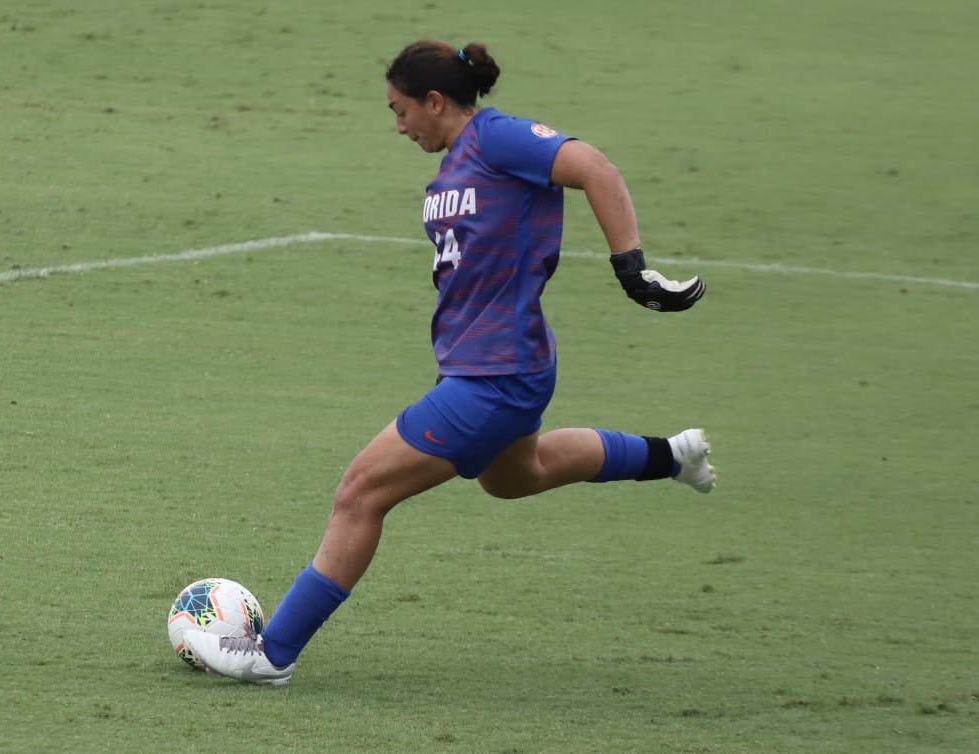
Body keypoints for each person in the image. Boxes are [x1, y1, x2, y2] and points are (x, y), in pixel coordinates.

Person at [184, 40, 714, 685]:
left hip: (497, 375)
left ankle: (273, 655)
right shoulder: (463, 159)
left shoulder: (498, 139)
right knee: (519, 474)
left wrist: (631, 268)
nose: (398, 125)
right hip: (490, 366)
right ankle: (673, 455)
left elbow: (594, 167)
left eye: (400, 110)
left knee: (360, 493)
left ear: (436, 101)